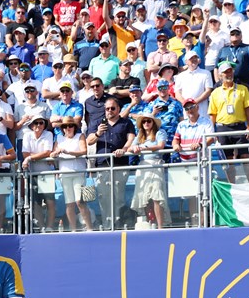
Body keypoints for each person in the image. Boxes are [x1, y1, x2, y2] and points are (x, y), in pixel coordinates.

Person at [86, 96, 136, 229]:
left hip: (120, 163)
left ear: (118, 109)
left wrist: (124, 149)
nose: (109, 111)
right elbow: (89, 141)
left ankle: (118, 225)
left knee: (118, 197)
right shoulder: (98, 123)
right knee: (104, 198)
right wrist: (98, 133)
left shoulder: (126, 123)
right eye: (107, 109)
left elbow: (131, 138)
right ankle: (108, 225)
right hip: (103, 165)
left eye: (112, 108)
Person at [209, 62, 249, 183]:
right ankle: (232, 186)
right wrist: (212, 132)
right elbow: (212, 114)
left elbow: (248, 109)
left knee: (245, 156)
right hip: (222, 128)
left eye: (230, 71)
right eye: (225, 72)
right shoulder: (215, 93)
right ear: (220, 75)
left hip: (239, 126)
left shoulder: (242, 89)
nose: (228, 74)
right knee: (228, 161)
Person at [53, 118, 92, 232]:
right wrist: (55, 153)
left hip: (78, 172)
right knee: (69, 203)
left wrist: (67, 152)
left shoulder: (80, 136)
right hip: (64, 173)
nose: (68, 128)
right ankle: (73, 229)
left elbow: (84, 151)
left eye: (70, 125)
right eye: (65, 126)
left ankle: (89, 228)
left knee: (80, 202)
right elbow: (53, 153)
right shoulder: (59, 138)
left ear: (75, 127)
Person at [129, 114, 168, 228]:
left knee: (156, 196)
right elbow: (130, 147)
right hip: (143, 165)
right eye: (144, 121)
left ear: (153, 123)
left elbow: (161, 145)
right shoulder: (139, 136)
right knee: (144, 196)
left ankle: (160, 226)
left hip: (156, 163)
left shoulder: (160, 133)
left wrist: (145, 148)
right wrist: (134, 148)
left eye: (149, 121)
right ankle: (150, 223)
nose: (146, 123)